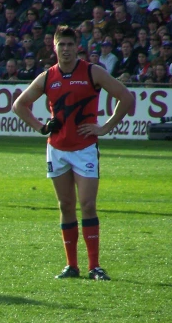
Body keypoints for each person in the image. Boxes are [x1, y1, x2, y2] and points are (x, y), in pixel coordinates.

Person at [12, 25, 134, 281]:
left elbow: (126, 97)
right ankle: (71, 266)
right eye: (61, 45)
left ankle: (95, 266)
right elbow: (19, 105)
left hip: (85, 149)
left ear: (77, 47)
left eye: (70, 45)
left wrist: (105, 127)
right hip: (57, 149)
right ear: (54, 47)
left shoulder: (92, 72)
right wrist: (41, 127)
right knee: (65, 205)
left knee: (88, 205)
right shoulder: (48, 76)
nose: (65, 50)